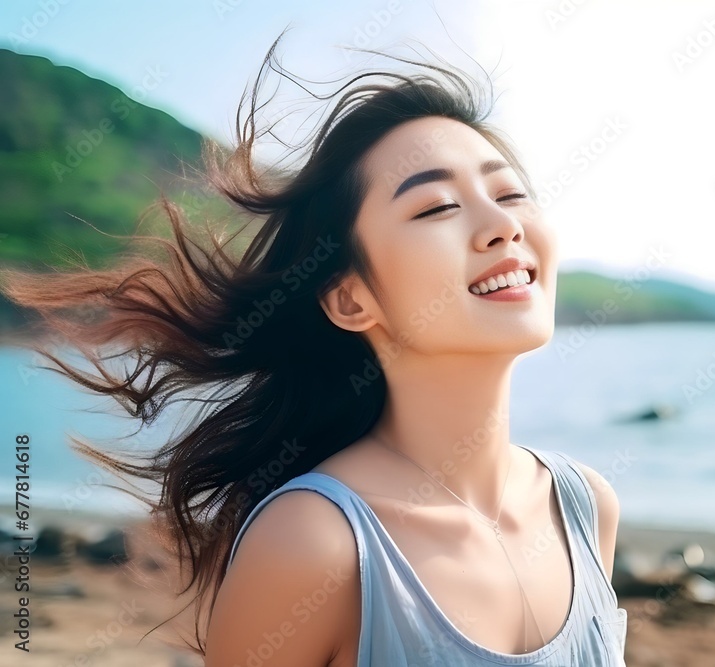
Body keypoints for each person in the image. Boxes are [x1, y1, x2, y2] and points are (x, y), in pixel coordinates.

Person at [1, 35, 627, 666]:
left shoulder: (584, 507)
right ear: (352, 300)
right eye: (437, 206)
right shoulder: (314, 544)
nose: (503, 225)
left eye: (512, 194)